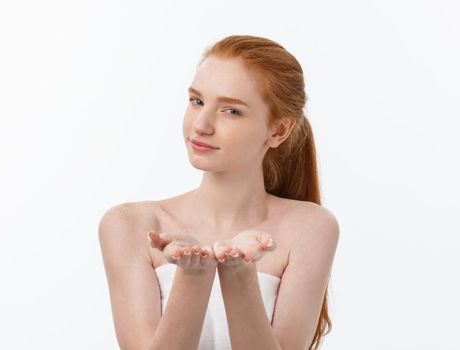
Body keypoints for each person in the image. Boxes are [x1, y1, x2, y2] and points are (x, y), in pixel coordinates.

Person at [99, 34, 340, 350]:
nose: (201, 124)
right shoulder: (130, 225)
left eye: (231, 111)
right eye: (197, 101)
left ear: (278, 130)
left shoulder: (309, 228)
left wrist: (239, 274)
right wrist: (193, 277)